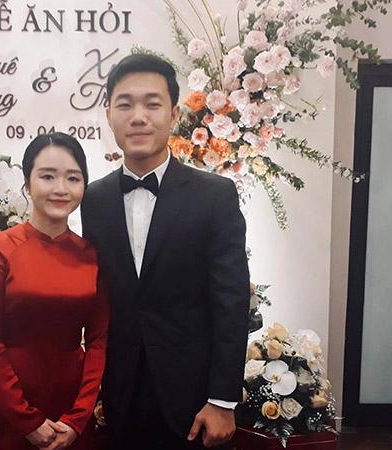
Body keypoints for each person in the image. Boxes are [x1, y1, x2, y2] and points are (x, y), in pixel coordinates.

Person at [81, 54, 250, 450]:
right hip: (120, 396)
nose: (138, 117)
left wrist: (222, 400)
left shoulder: (215, 195)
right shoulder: (93, 199)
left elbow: (231, 300)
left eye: (152, 104)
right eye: (125, 104)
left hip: (194, 401)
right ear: (109, 115)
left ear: (173, 114)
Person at [0, 132, 109, 450]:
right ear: (27, 183)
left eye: (73, 178)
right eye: (47, 176)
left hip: (71, 408)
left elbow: (99, 341)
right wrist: (26, 420)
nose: (61, 188)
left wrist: (78, 417)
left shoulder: (92, 255)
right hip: (8, 406)